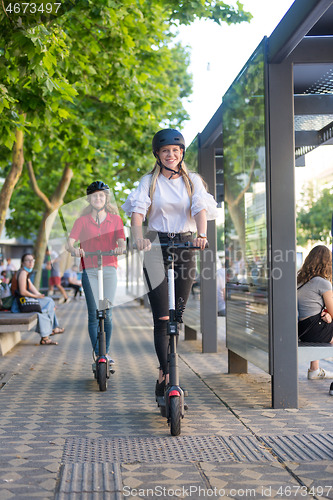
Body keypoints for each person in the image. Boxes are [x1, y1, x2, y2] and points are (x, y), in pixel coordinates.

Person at [122, 128, 218, 397]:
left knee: (178, 315)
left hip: (186, 244)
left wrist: (201, 236)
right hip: (155, 245)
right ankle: (166, 373)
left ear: (181, 153)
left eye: (176, 150)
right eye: (166, 151)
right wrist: (139, 238)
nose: (171, 154)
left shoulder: (192, 181)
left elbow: (199, 207)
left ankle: (170, 371)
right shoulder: (149, 181)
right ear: (158, 154)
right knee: (162, 317)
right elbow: (138, 211)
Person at [67, 181, 126, 363]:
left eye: (101, 195)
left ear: (106, 198)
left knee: (106, 312)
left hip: (109, 268)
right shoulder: (82, 221)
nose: (98, 198)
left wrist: (120, 248)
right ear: (89, 199)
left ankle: (105, 353)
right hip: (90, 269)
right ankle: (98, 356)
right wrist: (74, 249)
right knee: (93, 314)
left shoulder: (115, 219)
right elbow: (70, 242)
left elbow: (122, 241)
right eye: (94, 196)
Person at [11, 253, 64, 345]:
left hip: (25, 302)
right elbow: (23, 292)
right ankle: (51, 330)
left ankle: (46, 336)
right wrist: (37, 297)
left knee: (45, 306)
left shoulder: (25, 273)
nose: (31, 262)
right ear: (23, 263)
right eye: (28, 260)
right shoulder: (23, 273)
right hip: (19, 304)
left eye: (32, 260)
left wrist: (41, 297)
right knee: (46, 306)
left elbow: (33, 289)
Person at [297, 245, 333, 379]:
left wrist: (327, 314)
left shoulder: (299, 279)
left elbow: (311, 306)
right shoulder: (322, 283)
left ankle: (314, 370)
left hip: (302, 329)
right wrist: (329, 314)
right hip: (314, 331)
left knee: (322, 321)